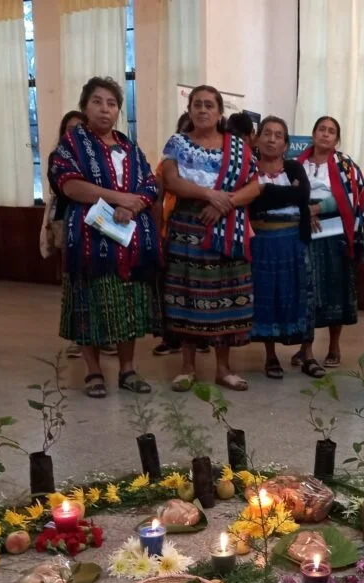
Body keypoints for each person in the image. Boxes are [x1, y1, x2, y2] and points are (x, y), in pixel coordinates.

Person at [49, 77, 159, 398]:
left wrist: (134, 203)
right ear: (85, 107)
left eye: (112, 104)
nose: (105, 109)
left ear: (118, 111)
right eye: (97, 102)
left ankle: (127, 370)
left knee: (128, 308)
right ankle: (94, 371)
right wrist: (118, 198)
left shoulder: (129, 147)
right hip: (88, 241)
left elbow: (149, 184)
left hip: (129, 241)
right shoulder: (71, 144)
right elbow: (69, 185)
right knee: (89, 306)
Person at [160, 85, 260, 392]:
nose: (203, 110)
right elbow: (172, 180)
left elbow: (255, 186)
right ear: (189, 110)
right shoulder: (178, 142)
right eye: (197, 105)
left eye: (209, 105)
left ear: (219, 113)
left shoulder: (238, 147)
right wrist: (209, 195)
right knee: (187, 293)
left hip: (225, 229)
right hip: (186, 227)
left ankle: (223, 369)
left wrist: (223, 204)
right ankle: (188, 368)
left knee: (224, 295)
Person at [249, 116, 324, 379]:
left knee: (303, 296)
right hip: (262, 243)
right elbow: (252, 205)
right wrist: (274, 194)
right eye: (266, 133)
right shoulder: (248, 169)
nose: (271, 139)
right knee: (267, 295)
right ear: (257, 139)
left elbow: (302, 196)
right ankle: (270, 357)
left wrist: (263, 190)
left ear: (286, 144)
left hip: (295, 241)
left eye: (278, 135)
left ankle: (308, 354)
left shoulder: (293, 168)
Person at [296, 117, 364, 368]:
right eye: (321, 129)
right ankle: (305, 347)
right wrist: (305, 212)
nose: (325, 134)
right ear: (313, 133)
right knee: (307, 290)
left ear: (337, 139)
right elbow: (287, 193)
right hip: (304, 235)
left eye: (331, 131)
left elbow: (354, 197)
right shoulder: (296, 165)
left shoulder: (346, 166)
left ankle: (334, 346)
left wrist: (318, 208)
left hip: (336, 235)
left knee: (335, 289)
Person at [153, 112, 210, 358]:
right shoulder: (169, 159)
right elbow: (160, 192)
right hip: (174, 226)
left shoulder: (215, 158)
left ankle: (203, 337)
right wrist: (157, 233)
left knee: (203, 287)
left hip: (207, 225)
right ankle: (172, 337)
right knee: (175, 288)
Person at [40, 109, 86, 360]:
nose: (75, 134)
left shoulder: (101, 154)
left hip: (100, 224)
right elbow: (65, 189)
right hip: (70, 224)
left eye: (80, 128)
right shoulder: (57, 157)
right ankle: (79, 338)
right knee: (74, 281)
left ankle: (106, 337)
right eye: (70, 129)